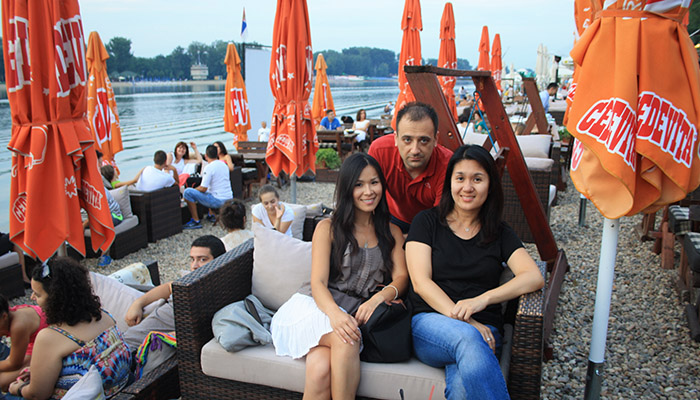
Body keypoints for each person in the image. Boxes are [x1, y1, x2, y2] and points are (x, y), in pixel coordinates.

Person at [405, 145, 544, 399]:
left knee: (461, 389)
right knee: (468, 337)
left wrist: (484, 299)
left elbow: (533, 276)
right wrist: (467, 321)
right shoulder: (426, 223)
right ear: (449, 183)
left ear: (490, 185)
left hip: (486, 328)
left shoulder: (499, 232)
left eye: (477, 179)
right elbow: (420, 283)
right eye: (460, 178)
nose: (467, 187)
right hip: (430, 323)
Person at [270, 153, 409, 400]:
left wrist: (378, 298)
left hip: (353, 312)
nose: (368, 191)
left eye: (374, 182)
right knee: (346, 339)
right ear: (347, 189)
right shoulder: (328, 228)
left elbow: (401, 278)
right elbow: (318, 283)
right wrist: (335, 315)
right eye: (359, 184)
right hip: (314, 306)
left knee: (320, 370)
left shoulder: (392, 232)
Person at [8, 257, 132, 398]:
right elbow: (92, 360)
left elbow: (37, 394)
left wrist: (18, 389)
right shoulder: (104, 316)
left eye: (37, 294)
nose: (32, 298)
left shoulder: (50, 337)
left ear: (56, 298)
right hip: (122, 390)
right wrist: (39, 371)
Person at [124, 235, 226, 350]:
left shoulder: (208, 293)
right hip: (132, 332)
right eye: (192, 259)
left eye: (202, 259)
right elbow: (168, 287)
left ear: (218, 260)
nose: (194, 266)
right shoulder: (191, 282)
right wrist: (138, 303)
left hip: (132, 347)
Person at [368, 101, 453, 234]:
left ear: (436, 139)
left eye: (424, 140)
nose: (415, 150)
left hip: (431, 222)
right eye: (407, 140)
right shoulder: (380, 151)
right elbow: (366, 195)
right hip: (391, 218)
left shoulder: (447, 164)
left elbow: (440, 222)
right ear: (395, 138)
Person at [0, 294, 48, 390]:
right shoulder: (11, 314)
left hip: (44, 348)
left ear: (4, 316)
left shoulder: (18, 326)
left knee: (2, 381)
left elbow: (14, 364)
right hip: (31, 344)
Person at [183, 145, 234, 229]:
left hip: (218, 201)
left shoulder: (209, 167)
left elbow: (203, 188)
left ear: (206, 156)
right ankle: (211, 215)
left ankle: (196, 220)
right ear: (217, 155)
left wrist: (194, 190)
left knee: (187, 192)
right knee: (211, 190)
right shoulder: (224, 165)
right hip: (229, 197)